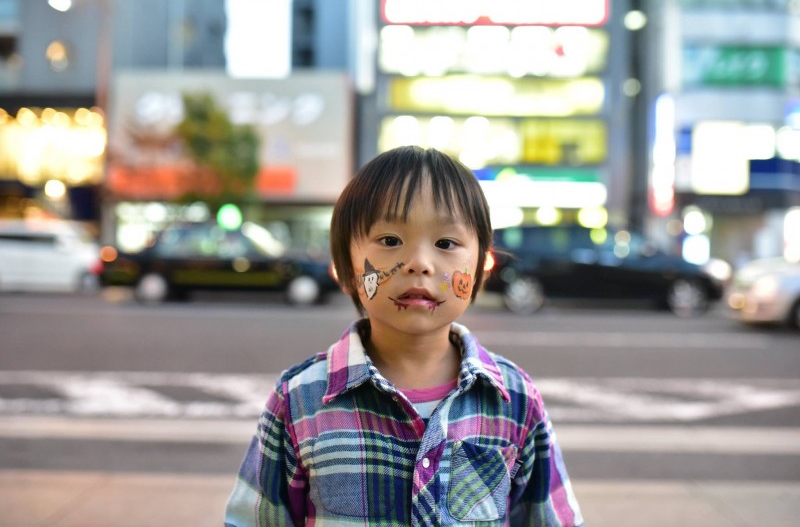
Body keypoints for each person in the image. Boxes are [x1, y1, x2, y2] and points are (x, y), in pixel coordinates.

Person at [224, 146, 584, 526]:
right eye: (391, 240)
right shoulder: (299, 400)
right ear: (346, 268)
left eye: (446, 243)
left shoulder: (515, 400)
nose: (419, 263)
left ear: (479, 270)